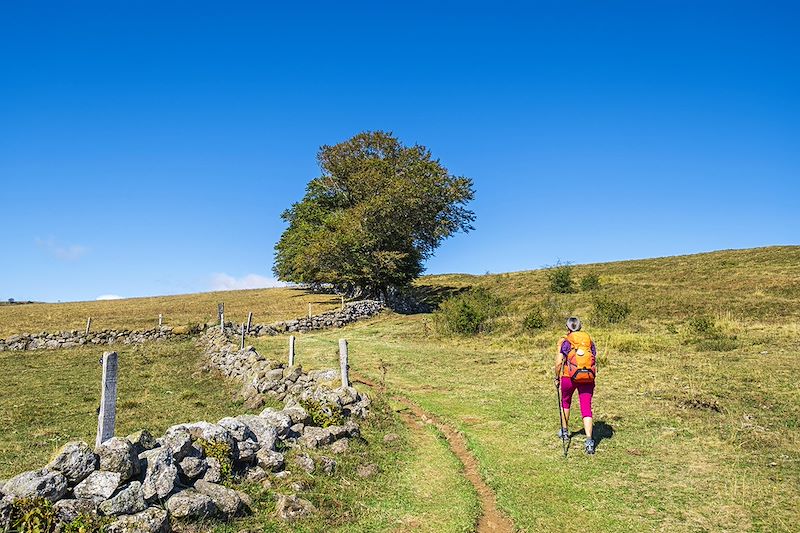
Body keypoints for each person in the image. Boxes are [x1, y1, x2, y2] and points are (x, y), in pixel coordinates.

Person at [554, 316, 598, 454]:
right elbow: (594, 358)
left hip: (569, 376)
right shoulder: (588, 341)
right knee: (586, 407)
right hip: (587, 378)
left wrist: (556, 377)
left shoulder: (566, 342)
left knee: (565, 402)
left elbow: (558, 363)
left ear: (568, 327)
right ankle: (589, 441)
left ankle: (565, 431)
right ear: (580, 326)